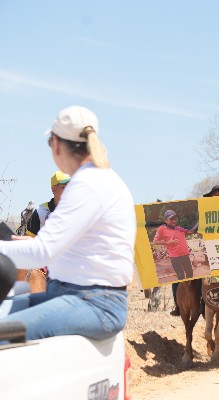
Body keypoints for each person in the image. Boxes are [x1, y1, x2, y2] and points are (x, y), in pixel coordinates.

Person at [0, 105, 135, 341]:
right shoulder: (96, 179)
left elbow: (42, 252)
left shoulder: (88, 184)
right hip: (82, 298)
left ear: (56, 144)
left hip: (92, 303)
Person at [25, 171, 71, 237]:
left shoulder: (79, 209)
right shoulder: (40, 211)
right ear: (54, 189)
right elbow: (28, 238)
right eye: (64, 187)